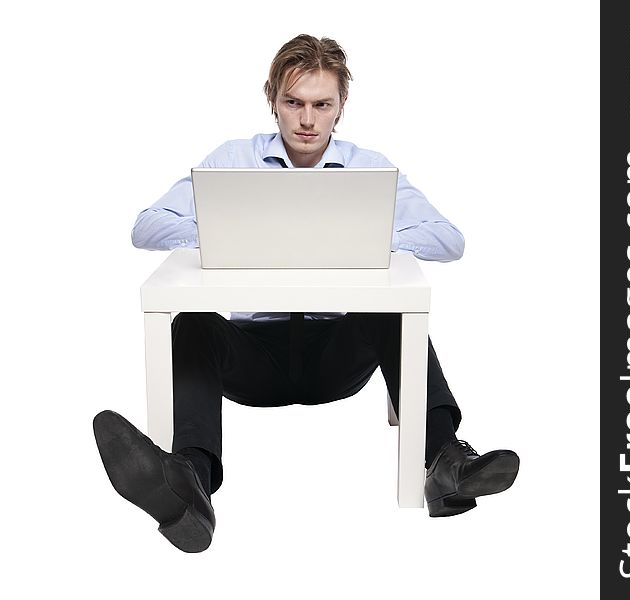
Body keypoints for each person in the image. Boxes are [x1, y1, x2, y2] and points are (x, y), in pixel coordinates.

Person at [93, 34, 519, 553]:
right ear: (272, 98)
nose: (307, 119)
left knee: (394, 317)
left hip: (335, 359)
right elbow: (147, 227)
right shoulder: (235, 159)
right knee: (192, 321)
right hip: (252, 356)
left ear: (341, 108)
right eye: (294, 103)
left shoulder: (368, 167)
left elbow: (449, 240)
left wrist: (362, 239)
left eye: (322, 104)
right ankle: (189, 484)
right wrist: (232, 233)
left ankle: (446, 463)